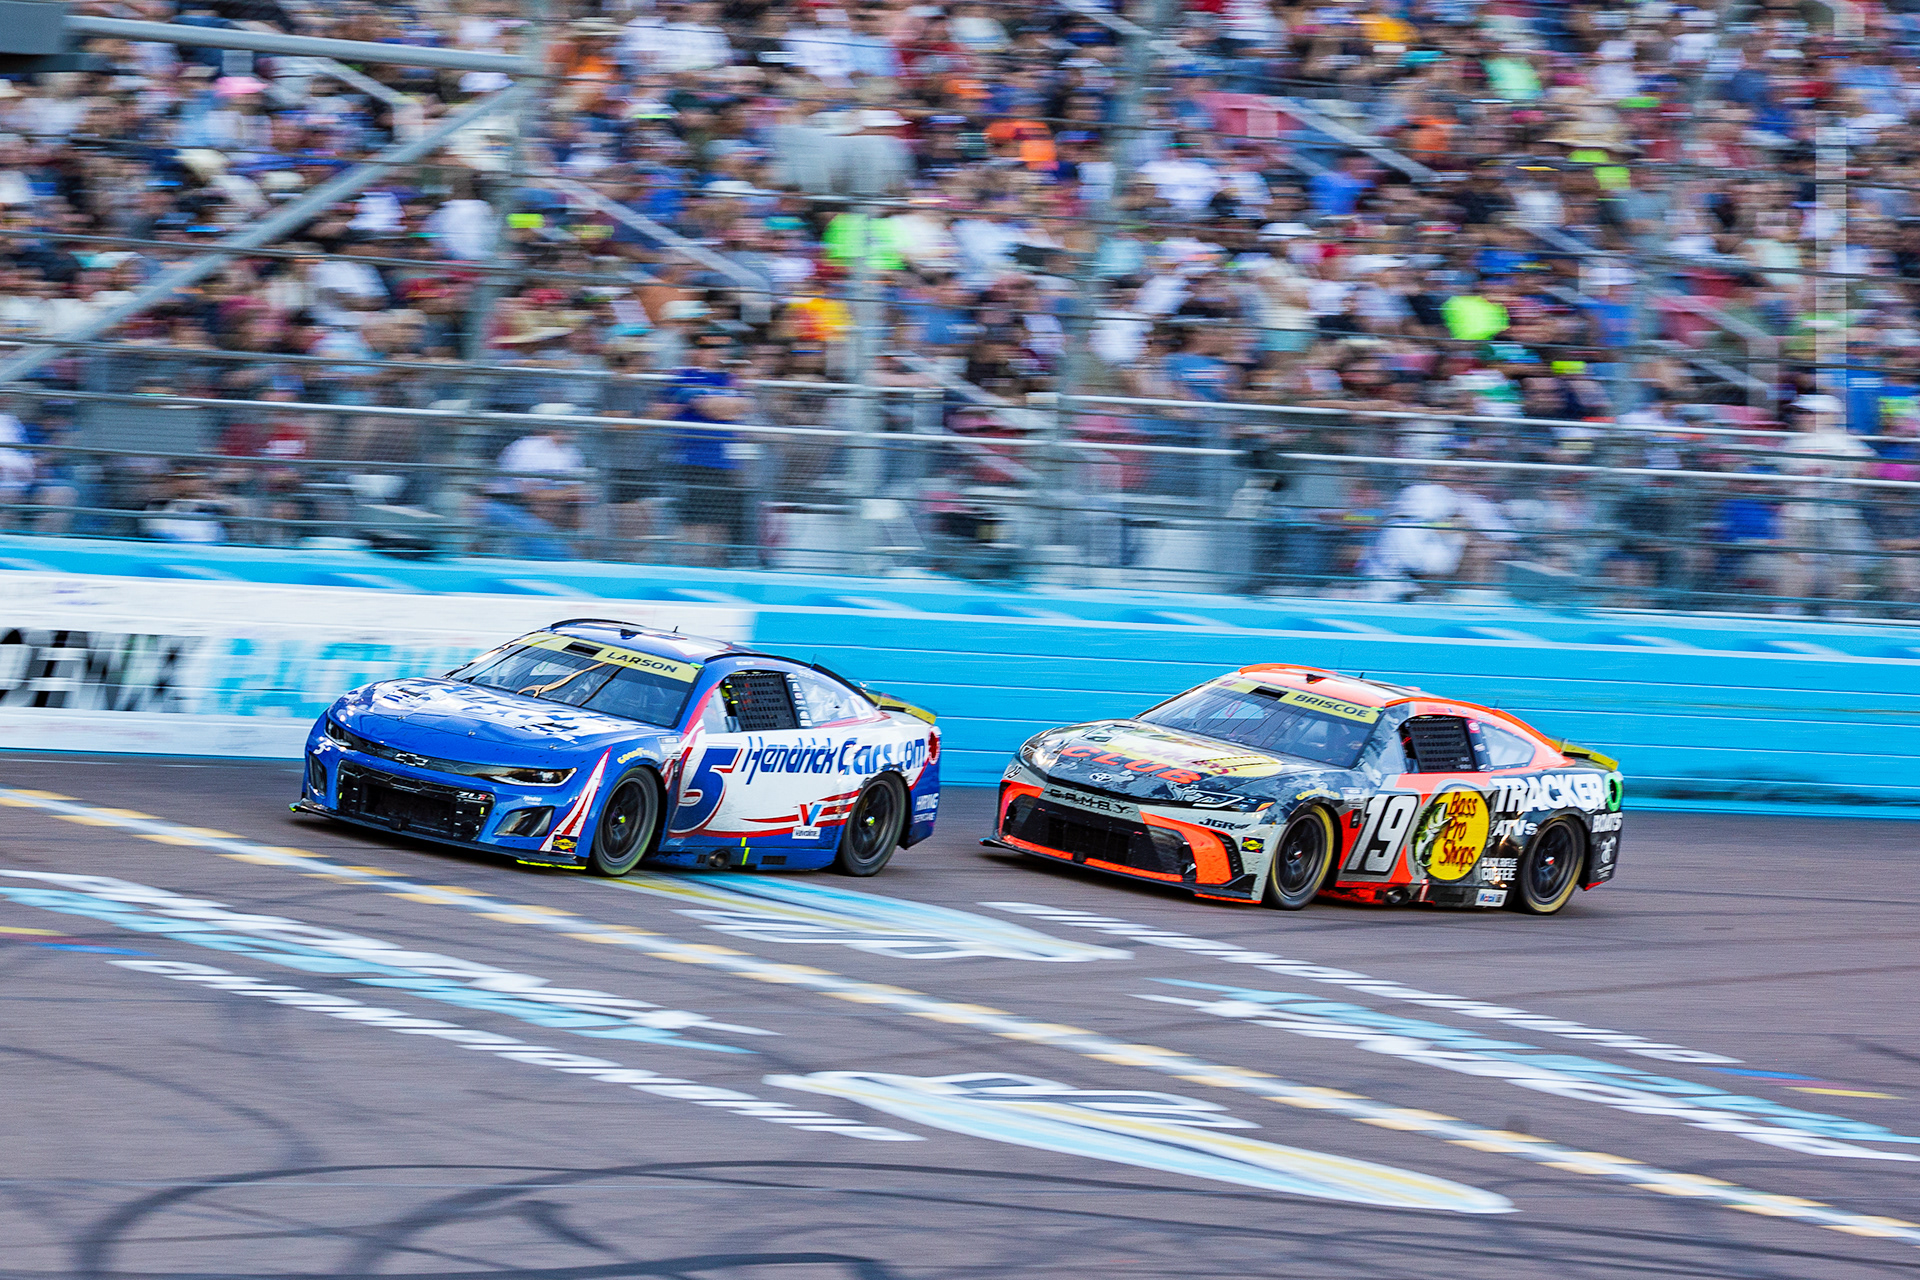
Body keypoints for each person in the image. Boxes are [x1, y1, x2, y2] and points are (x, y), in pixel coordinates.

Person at [668, 329, 756, 566]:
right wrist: (726, 406)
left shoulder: (729, 378)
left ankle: (714, 568)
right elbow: (712, 408)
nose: (714, 353)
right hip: (695, 461)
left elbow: (745, 406)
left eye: (719, 347)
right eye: (707, 347)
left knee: (721, 523)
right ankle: (692, 570)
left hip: (726, 465)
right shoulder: (684, 376)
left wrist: (725, 405)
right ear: (695, 350)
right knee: (697, 523)